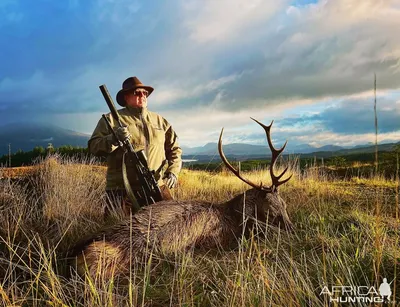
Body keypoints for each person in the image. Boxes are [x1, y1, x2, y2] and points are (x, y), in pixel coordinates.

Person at [88, 76, 182, 216]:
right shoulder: (111, 119)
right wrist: (113, 139)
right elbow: (94, 147)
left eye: (145, 93)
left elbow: (175, 149)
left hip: (157, 186)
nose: (142, 96)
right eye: (137, 93)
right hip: (121, 189)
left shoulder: (160, 121)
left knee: (167, 226)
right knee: (117, 232)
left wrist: (173, 172)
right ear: (126, 97)